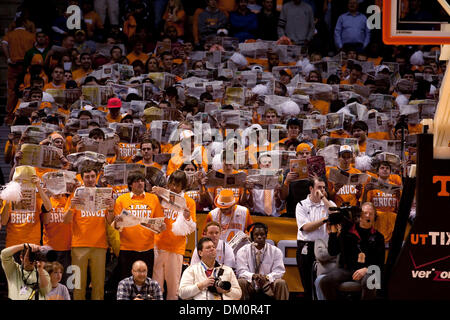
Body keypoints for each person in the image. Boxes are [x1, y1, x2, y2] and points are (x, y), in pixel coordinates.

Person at [63, 165, 115, 300]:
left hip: (100, 246)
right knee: (78, 284)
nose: (90, 179)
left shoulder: (103, 194)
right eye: (87, 177)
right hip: (78, 246)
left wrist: (111, 208)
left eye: (93, 176)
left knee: (98, 286)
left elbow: (110, 221)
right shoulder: (75, 195)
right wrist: (71, 207)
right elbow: (65, 220)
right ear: (82, 177)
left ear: (97, 176)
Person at [320, 202, 385, 300]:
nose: (368, 216)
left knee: (370, 280)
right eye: (365, 213)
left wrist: (366, 269)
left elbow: (380, 263)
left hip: (368, 270)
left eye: (371, 214)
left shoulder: (378, 237)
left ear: (374, 217)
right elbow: (333, 251)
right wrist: (333, 233)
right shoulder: (347, 232)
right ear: (360, 215)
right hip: (347, 270)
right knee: (325, 281)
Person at [152, 170, 197, 300]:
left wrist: (187, 218)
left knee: (173, 287)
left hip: (176, 248)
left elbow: (192, 227)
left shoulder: (189, 202)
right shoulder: (161, 197)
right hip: (158, 244)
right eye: (171, 184)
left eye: (177, 185)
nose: (173, 187)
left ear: (183, 186)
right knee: (157, 286)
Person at [113, 171, 165, 281]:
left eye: (142, 181)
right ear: (131, 184)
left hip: (147, 248)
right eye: (137, 181)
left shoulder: (153, 198)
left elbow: (158, 222)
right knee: (126, 282)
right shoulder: (121, 200)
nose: (140, 183)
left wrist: (161, 226)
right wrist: (117, 222)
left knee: (146, 281)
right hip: (126, 248)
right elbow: (116, 227)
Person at [295, 177, 336, 300]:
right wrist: (325, 220)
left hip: (325, 247)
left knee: (322, 282)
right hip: (306, 246)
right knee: (308, 283)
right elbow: (306, 227)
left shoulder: (329, 204)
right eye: (319, 187)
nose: (322, 190)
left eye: (324, 187)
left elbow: (336, 214)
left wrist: (323, 198)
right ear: (311, 188)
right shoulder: (301, 204)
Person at [236, 222, 289, 300]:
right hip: (251, 283)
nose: (259, 237)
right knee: (240, 282)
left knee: (281, 283)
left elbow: (279, 271)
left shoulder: (276, 251)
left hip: (268, 284)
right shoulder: (243, 251)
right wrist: (253, 276)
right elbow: (241, 271)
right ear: (252, 236)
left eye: (262, 234)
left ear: (266, 236)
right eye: (256, 235)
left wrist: (267, 277)